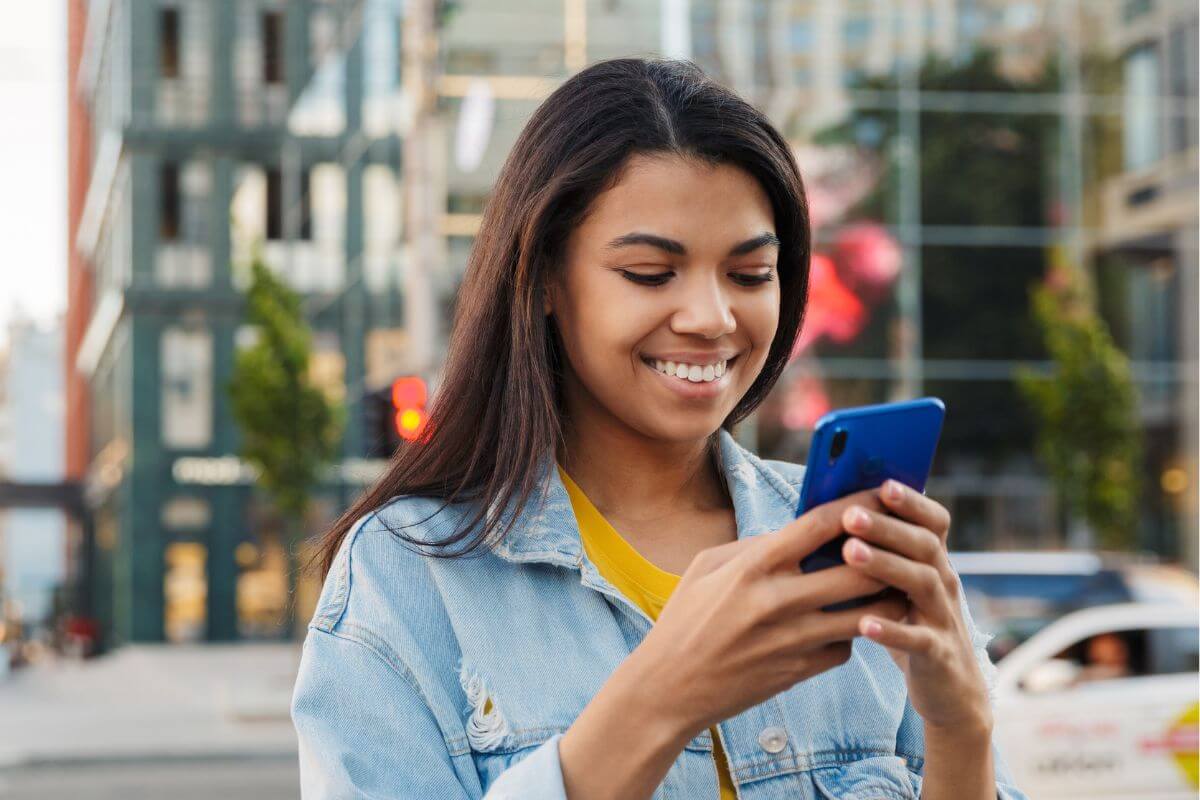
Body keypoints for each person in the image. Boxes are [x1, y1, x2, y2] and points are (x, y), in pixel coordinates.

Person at [290, 56, 1027, 800]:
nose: (711, 317)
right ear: (543, 279)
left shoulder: (850, 548)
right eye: (649, 273)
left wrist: (961, 727)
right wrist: (661, 699)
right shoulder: (408, 572)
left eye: (750, 275)